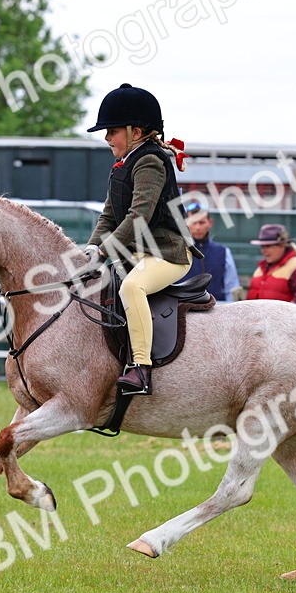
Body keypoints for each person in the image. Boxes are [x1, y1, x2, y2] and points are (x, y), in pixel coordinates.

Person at [84, 83, 196, 395]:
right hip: (137, 254)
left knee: (133, 287)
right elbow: (109, 216)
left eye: (112, 131)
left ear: (135, 131)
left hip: (168, 254)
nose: (107, 138)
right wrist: (92, 248)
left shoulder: (150, 160)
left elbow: (139, 217)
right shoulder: (122, 163)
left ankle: (141, 369)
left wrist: (104, 251)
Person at [178, 201, 242, 302]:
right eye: (193, 222)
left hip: (216, 309)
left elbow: (232, 287)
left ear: (210, 223)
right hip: (184, 309)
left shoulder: (223, 252)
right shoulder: (177, 251)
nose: (198, 227)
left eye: (202, 222)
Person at [246, 224, 296, 304]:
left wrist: (283, 315)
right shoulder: (260, 269)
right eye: (262, 247)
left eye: (268, 246)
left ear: (282, 245)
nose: (263, 251)